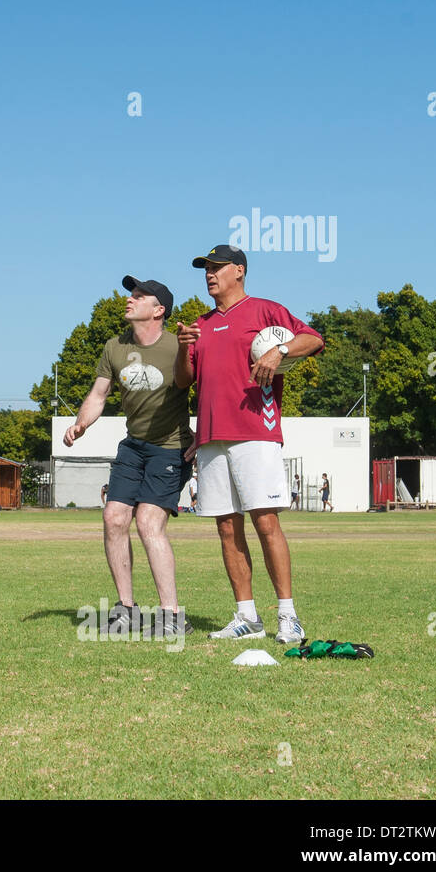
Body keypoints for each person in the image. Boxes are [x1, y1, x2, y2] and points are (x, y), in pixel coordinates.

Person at [174, 245, 324, 643]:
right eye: (205, 268)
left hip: (255, 431)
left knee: (265, 521)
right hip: (210, 437)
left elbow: (313, 338)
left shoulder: (265, 310)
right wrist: (180, 346)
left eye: (216, 268)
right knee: (226, 527)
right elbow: (184, 381)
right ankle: (247, 617)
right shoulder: (199, 324)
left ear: (238, 271)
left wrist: (280, 350)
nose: (209, 274)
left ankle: (288, 617)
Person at [64, 275, 193, 638]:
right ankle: (126, 611)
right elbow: (99, 394)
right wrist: (81, 424)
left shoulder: (177, 346)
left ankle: (170, 614)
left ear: (159, 310)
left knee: (149, 522)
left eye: (139, 295)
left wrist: (204, 435)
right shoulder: (114, 346)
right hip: (133, 445)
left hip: (170, 446)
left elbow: (206, 389)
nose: (130, 299)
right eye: (130, 294)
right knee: (114, 518)